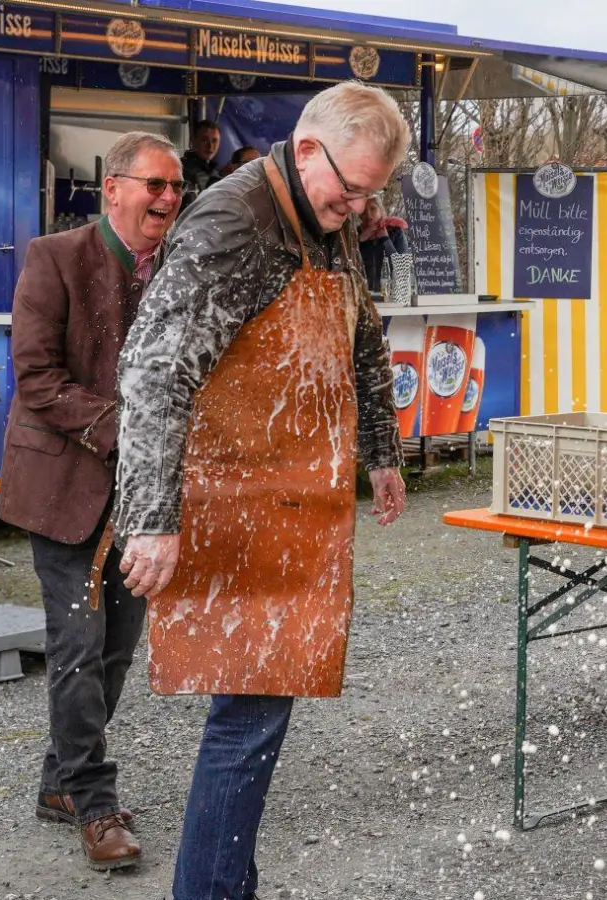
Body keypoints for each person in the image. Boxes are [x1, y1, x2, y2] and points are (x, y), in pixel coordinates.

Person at [112, 82, 411, 900]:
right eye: (347, 189)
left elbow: (361, 333)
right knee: (245, 724)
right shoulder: (232, 221)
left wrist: (381, 450)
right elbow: (152, 370)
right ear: (305, 148)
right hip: (229, 502)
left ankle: (225, 886)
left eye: (369, 194)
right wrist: (150, 518)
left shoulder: (326, 217)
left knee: (262, 717)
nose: (355, 208)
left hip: (296, 503)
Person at [0, 131, 185, 871]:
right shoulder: (54, 257)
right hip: (65, 487)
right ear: (113, 188)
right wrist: (126, 430)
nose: (167, 198)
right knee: (77, 647)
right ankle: (96, 804)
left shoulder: (178, 268)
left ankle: (59, 785)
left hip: (145, 500)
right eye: (154, 185)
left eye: (175, 188)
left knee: (114, 648)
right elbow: (36, 378)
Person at [180, 119, 222, 196]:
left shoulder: (216, 173)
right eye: (204, 140)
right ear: (193, 140)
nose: (210, 146)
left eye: (214, 140)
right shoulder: (180, 171)